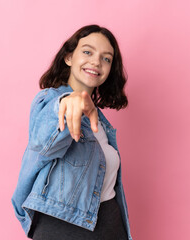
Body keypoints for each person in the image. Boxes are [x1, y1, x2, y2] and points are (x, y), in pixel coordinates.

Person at [11, 24, 133, 240]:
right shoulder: (49, 102)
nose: (96, 61)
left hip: (111, 226)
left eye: (106, 58)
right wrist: (68, 101)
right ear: (68, 57)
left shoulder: (101, 122)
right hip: (64, 229)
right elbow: (43, 141)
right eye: (87, 52)